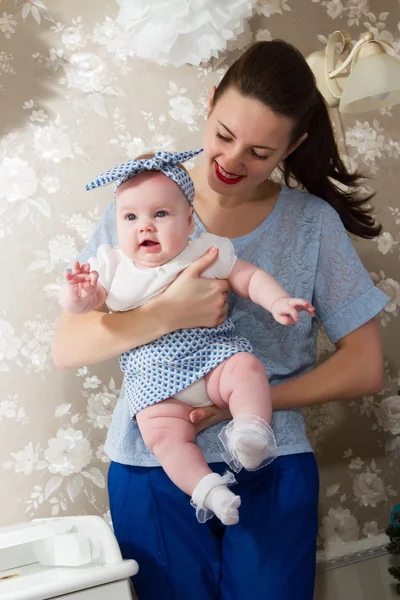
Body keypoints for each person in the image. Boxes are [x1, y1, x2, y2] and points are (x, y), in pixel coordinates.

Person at [53, 40, 388, 600]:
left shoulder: (312, 224)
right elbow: (69, 344)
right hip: (151, 464)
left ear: (293, 146)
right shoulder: (143, 201)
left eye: (259, 152)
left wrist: (239, 407)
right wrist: (166, 313)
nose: (233, 163)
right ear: (209, 104)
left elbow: (365, 367)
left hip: (272, 462)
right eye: (224, 136)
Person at [59, 149, 315, 526]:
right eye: (131, 217)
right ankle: (209, 492)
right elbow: (87, 307)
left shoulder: (203, 249)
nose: (145, 226)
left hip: (212, 360)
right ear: (117, 225)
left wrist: (276, 299)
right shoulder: (112, 265)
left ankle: (250, 432)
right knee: (163, 438)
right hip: (156, 383)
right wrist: (78, 295)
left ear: (189, 219)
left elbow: (247, 276)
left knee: (246, 369)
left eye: (160, 214)